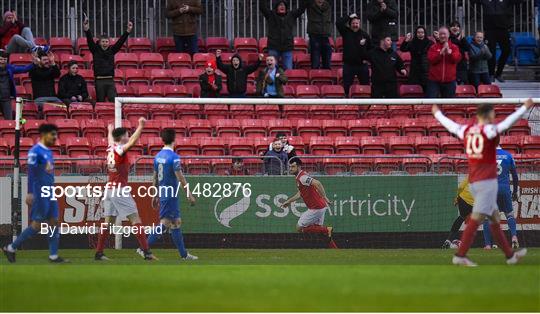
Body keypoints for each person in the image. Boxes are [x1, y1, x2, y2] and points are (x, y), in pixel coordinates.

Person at [432, 99, 534, 266]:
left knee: (494, 219)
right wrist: (524, 107)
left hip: (475, 181)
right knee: (477, 218)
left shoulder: (466, 130)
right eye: (493, 115)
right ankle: (460, 255)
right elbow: (509, 121)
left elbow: (450, 125)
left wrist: (437, 113)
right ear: (488, 115)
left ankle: (510, 256)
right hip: (486, 182)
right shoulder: (490, 131)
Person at [2, 124, 68, 263]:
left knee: (54, 221)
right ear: (44, 134)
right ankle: (11, 247)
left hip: (50, 190)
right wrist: (30, 192)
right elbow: (31, 172)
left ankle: (53, 255)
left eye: (56, 134)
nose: (55, 137)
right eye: (52, 134)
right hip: (40, 191)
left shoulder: (48, 152)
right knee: (37, 225)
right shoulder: (35, 151)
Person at [94, 119, 156, 261]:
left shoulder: (110, 148)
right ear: (122, 138)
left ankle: (99, 253)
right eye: (127, 135)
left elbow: (110, 140)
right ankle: (147, 252)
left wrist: (109, 131)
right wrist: (140, 126)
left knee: (107, 222)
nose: (128, 136)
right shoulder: (119, 149)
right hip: (119, 190)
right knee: (135, 219)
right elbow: (132, 142)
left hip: (109, 190)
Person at [141, 129, 198, 260]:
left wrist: (155, 194)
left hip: (163, 193)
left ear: (162, 140)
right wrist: (189, 194)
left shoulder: (158, 156)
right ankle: (143, 248)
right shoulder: (174, 157)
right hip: (170, 194)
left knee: (176, 223)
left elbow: (154, 177)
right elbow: (181, 178)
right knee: (166, 223)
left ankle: (184, 255)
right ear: (174, 139)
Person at [280, 158, 338, 249]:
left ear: (299, 167)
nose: (290, 169)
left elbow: (317, 183)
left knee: (299, 227)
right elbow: (300, 193)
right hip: (320, 206)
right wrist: (289, 201)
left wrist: (325, 197)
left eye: (293, 166)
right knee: (320, 232)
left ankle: (327, 229)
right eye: (290, 167)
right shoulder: (300, 177)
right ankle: (335, 250)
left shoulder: (302, 177)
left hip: (316, 208)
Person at [472, 0, 525, 82]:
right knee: (491, 52)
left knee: (507, 50)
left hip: (503, 29)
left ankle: (498, 73)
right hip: (490, 30)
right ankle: (491, 74)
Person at [83, 16, 132, 102]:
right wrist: (87, 29)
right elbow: (90, 40)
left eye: (106, 42)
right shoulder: (95, 50)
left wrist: (127, 31)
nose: (105, 43)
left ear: (109, 43)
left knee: (114, 101)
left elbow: (120, 42)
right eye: (103, 41)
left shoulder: (112, 50)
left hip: (110, 80)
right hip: (99, 80)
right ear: (99, 42)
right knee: (100, 102)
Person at [482, 145, 520, 249]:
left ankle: (488, 245)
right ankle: (514, 237)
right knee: (509, 214)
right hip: (504, 189)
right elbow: (515, 176)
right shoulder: (508, 155)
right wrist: (515, 191)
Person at [260, 0, 306, 70]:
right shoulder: (271, 15)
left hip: (287, 47)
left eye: (284, 5)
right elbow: (262, 7)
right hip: (273, 46)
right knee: (272, 69)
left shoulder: (291, 15)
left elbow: (301, 9)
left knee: (288, 69)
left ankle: (287, 81)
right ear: (276, 7)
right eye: (280, 5)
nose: (282, 6)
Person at [336, 14, 372, 97]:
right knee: (347, 87)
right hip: (348, 65)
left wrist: (367, 59)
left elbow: (370, 48)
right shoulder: (345, 32)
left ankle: (366, 104)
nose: (355, 25)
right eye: (353, 23)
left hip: (362, 66)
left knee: (365, 86)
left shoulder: (365, 35)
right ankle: (348, 104)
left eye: (357, 23)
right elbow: (338, 23)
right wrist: (349, 16)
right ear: (350, 24)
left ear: (359, 24)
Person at [426, 27, 461, 98]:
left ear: (448, 35)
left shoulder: (454, 47)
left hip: (450, 81)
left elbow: (456, 60)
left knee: (449, 105)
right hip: (434, 81)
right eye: (441, 34)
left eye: (444, 34)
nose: (442, 36)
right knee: (431, 103)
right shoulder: (433, 47)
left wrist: (449, 53)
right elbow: (431, 60)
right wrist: (440, 53)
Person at [0, 49, 35, 119]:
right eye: (1, 59)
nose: (2, 61)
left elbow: (24, 69)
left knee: (9, 119)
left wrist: (34, 64)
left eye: (4, 59)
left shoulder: (10, 68)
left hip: (6, 99)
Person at [442, 176, 474, 249]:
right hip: (474, 203)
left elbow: (460, 187)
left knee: (461, 218)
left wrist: (457, 197)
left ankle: (448, 240)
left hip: (463, 199)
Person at [400, 26, 433, 91]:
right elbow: (403, 49)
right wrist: (406, 40)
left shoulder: (429, 43)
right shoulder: (412, 43)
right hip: (414, 70)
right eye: (418, 32)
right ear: (416, 33)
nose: (420, 34)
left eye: (422, 32)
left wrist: (437, 39)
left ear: (425, 33)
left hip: (426, 70)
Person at [304, 0, 332, 69]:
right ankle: (315, 72)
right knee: (315, 55)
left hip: (325, 34)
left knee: (327, 53)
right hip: (314, 34)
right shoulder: (310, 4)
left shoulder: (327, 5)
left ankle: (327, 72)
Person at [449, 21, 470, 85]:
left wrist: (463, 38)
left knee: (462, 81)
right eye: (453, 26)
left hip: (462, 63)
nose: (455, 27)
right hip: (452, 62)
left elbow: (467, 48)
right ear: (450, 28)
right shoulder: (448, 37)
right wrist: (458, 39)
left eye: (457, 26)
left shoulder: (462, 38)